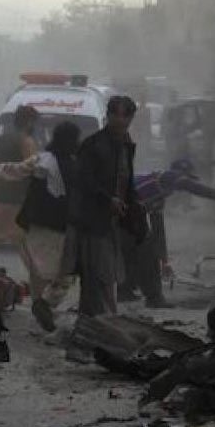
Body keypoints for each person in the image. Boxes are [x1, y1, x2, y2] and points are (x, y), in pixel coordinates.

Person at [0, 122, 81, 331]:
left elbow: (11, 171)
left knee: (46, 272)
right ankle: (43, 307)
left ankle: (42, 306)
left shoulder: (48, 160)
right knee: (55, 272)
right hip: (50, 227)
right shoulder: (48, 162)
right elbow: (12, 171)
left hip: (49, 226)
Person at [118, 159, 215, 308]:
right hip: (117, 211)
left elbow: (158, 229)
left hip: (123, 214)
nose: (184, 189)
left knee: (136, 249)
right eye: (186, 179)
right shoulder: (167, 176)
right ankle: (152, 298)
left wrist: (164, 261)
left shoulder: (159, 192)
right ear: (182, 174)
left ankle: (126, 290)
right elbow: (195, 188)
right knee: (145, 251)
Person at [72, 96, 146, 317]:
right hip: (94, 219)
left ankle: (98, 318)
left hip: (114, 220)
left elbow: (126, 180)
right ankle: (99, 319)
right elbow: (84, 181)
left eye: (128, 117)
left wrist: (134, 207)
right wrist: (107, 200)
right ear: (111, 115)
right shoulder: (94, 145)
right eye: (119, 115)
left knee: (110, 271)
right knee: (97, 273)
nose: (124, 121)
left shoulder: (125, 144)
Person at [0, 105, 39, 246]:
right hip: (16, 202)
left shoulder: (2, 139)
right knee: (23, 243)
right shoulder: (26, 141)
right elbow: (31, 170)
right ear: (29, 122)